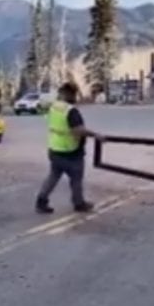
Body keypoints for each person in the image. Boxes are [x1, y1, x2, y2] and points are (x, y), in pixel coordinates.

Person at [36, 82, 104, 214]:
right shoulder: (71, 111)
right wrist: (96, 135)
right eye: (74, 94)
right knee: (76, 178)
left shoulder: (54, 107)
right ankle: (79, 203)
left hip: (55, 149)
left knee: (53, 176)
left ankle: (41, 201)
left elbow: (45, 113)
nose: (75, 97)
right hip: (71, 151)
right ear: (70, 94)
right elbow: (78, 130)